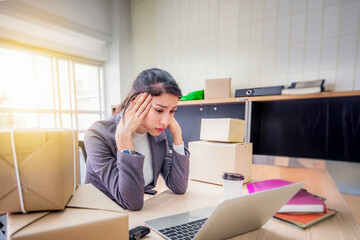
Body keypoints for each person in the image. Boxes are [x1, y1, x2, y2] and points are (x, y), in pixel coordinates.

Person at [84, 68, 189, 211]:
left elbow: (178, 186)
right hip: (101, 215)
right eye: (159, 110)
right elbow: (131, 202)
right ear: (135, 102)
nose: (165, 121)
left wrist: (177, 134)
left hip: (134, 215)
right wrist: (125, 139)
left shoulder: (156, 133)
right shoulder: (97, 135)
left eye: (172, 111)